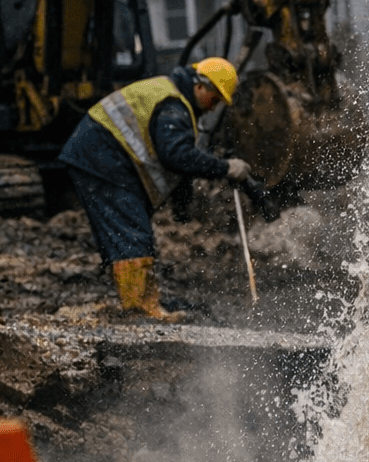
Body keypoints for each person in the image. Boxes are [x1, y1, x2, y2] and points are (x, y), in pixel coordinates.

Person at [59, 57, 252, 320]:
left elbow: (176, 162)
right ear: (200, 87)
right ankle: (141, 310)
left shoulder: (174, 100)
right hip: (101, 157)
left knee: (130, 229)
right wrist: (225, 168)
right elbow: (176, 156)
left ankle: (140, 302)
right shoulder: (173, 106)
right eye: (215, 99)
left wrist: (182, 204)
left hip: (100, 155)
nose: (213, 107)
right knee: (131, 230)